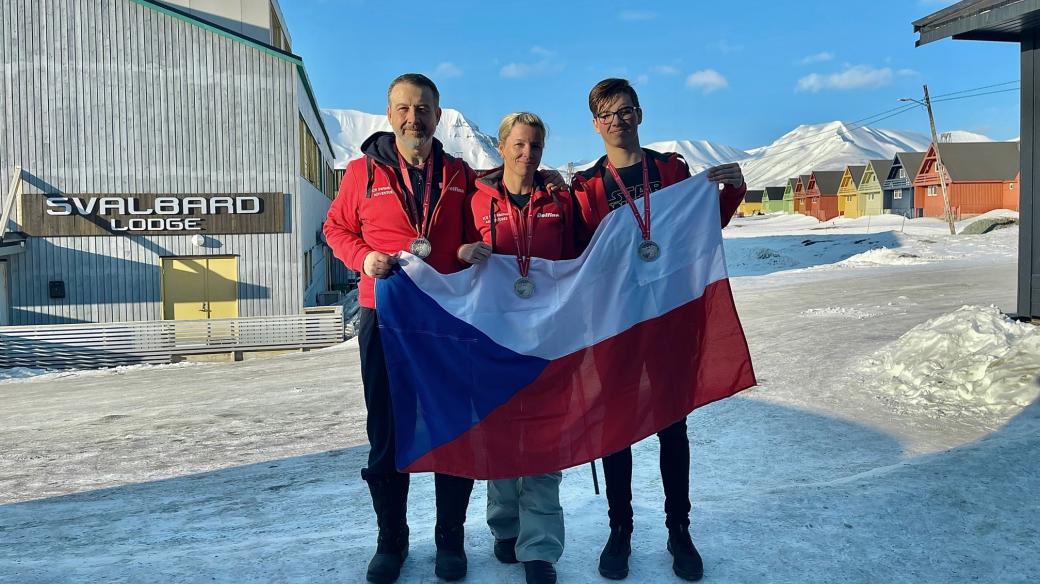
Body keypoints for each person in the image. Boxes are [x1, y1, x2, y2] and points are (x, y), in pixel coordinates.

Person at [570, 78, 746, 582]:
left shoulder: (670, 169)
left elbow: (701, 226)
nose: (617, 121)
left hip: (668, 315)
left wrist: (731, 191)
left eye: (625, 111)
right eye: (606, 114)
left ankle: (679, 530)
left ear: (640, 114)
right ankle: (619, 530)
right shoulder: (586, 187)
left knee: (673, 424)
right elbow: (576, 255)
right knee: (617, 427)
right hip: (615, 323)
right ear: (595, 124)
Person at [323, 73, 476, 584]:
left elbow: (476, 231)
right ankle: (391, 540)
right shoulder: (362, 172)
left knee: (452, 423)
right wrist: (363, 257)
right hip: (384, 316)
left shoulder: (458, 173)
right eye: (404, 109)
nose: (415, 118)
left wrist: (463, 252)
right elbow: (334, 228)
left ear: (439, 114)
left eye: (424, 108)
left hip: (446, 319)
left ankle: (449, 541)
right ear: (390, 115)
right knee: (387, 430)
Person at [457, 112, 576, 584]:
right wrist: (463, 252)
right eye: (521, 145)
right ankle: (505, 523)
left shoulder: (558, 201)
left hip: (548, 337)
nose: (529, 154)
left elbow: (579, 258)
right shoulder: (474, 199)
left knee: (546, 440)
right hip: (492, 338)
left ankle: (541, 547)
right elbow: (452, 256)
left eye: (537, 146)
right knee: (501, 435)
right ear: (502, 146)